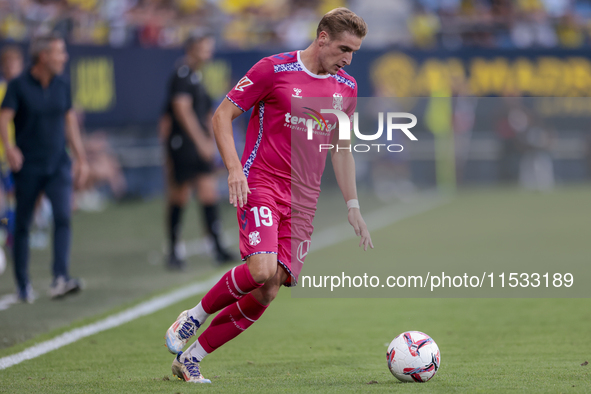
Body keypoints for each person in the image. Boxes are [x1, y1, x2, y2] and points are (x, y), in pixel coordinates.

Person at [164, 8, 373, 383]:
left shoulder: (347, 88)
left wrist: (352, 205)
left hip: (304, 200)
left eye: (354, 52)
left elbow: (342, 149)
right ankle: (193, 316)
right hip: (262, 183)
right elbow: (221, 116)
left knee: (269, 289)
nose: (348, 58)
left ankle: (192, 358)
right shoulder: (273, 69)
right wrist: (233, 169)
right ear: (322, 37)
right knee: (260, 269)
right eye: (344, 48)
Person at [0, 33, 89, 303]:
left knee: (62, 216)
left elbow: (69, 121)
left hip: (58, 164)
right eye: (59, 52)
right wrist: (10, 148)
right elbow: (4, 118)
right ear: (43, 56)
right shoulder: (18, 85)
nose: (64, 57)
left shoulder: (62, 85)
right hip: (28, 165)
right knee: (23, 223)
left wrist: (81, 158)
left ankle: (60, 278)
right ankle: (23, 284)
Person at [161, 32, 235, 270]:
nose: (208, 52)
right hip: (183, 144)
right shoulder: (182, 75)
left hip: (196, 144)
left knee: (208, 193)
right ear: (192, 48)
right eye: (204, 48)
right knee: (179, 195)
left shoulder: (195, 76)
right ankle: (173, 250)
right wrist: (202, 141)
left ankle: (217, 247)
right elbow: (181, 111)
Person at [0, 45, 24, 251]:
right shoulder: (1, 91)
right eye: (7, 65)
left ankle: (13, 234)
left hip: (20, 152)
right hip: (4, 154)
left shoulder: (24, 90)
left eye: (14, 64)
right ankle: (9, 234)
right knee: (7, 198)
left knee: (15, 198)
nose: (10, 68)